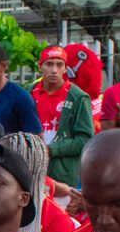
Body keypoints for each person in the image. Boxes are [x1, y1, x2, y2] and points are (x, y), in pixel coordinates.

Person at [29, 46, 95, 188]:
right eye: (49, 64)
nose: (54, 70)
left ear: (65, 68)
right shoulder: (28, 93)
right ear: (40, 67)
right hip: (30, 172)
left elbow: (85, 139)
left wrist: (52, 150)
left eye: (59, 65)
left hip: (63, 177)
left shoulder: (78, 97)